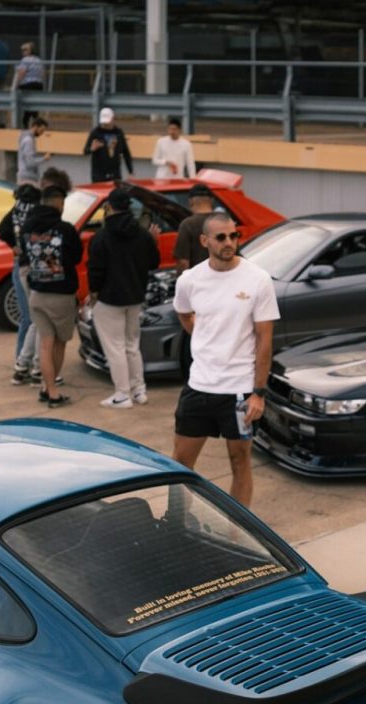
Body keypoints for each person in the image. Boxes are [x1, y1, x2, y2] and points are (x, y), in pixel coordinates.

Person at [171, 212, 280, 506]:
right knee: (180, 464)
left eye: (234, 236)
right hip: (199, 387)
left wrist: (258, 393)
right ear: (205, 241)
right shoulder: (189, 280)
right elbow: (183, 313)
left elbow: (264, 341)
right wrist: (203, 337)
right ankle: (177, 520)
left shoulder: (258, 280)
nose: (229, 242)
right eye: (221, 237)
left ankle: (238, 533)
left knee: (240, 462)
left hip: (240, 392)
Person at [88, 187, 159, 407]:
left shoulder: (101, 237)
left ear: (109, 207)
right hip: (135, 297)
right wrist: (153, 241)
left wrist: (93, 294)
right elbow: (153, 263)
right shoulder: (142, 234)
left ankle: (122, 394)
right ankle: (139, 390)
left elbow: (96, 270)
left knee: (115, 347)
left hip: (109, 299)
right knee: (131, 345)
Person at [21, 184, 84, 408]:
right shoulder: (65, 229)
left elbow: (24, 255)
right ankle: (53, 392)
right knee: (58, 345)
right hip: (61, 295)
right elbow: (76, 256)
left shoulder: (27, 226)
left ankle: (47, 389)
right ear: (59, 203)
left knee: (45, 345)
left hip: (36, 293)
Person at [0, 182, 42, 385]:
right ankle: (30, 364)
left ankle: (21, 361)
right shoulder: (35, 213)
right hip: (34, 267)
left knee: (27, 318)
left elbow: (2, 230)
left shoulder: (15, 211)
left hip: (19, 265)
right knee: (35, 319)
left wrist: (14, 247)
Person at [173, 183, 216, 271]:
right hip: (223, 279)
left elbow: (183, 263)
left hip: (198, 281)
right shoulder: (225, 222)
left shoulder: (188, 225)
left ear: (190, 201)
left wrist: (181, 282)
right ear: (211, 201)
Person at [83, 108, 133, 183]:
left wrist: (130, 171)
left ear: (113, 118)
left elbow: (126, 152)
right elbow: (85, 151)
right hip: (99, 175)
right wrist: (92, 149)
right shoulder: (96, 132)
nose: (105, 124)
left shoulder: (118, 133)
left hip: (115, 174)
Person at [16, 115, 52, 187]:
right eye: (41, 130)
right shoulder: (28, 141)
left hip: (27, 177)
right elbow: (30, 162)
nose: (41, 133)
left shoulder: (28, 139)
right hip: (27, 178)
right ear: (35, 127)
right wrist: (44, 158)